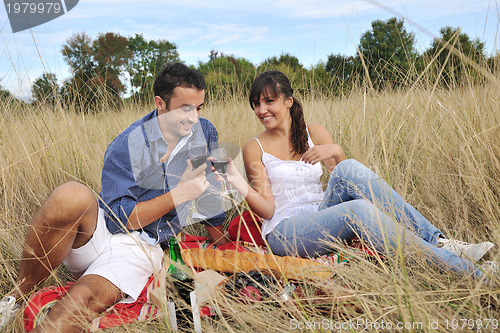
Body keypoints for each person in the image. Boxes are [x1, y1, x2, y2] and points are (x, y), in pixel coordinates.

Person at [0, 63, 229, 332]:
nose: (194, 118)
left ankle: (84, 288)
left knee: (75, 305)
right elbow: (121, 218)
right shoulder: (129, 143)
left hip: (139, 246)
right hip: (102, 230)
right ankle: (15, 297)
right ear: (160, 103)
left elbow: (211, 182)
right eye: (185, 109)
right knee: (69, 194)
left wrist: (221, 240)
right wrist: (178, 195)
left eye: (199, 107)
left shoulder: (204, 132)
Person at [220, 70, 496, 281]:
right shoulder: (254, 147)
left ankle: (439, 241)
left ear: (289, 101)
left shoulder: (314, 132)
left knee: (349, 167)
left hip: (321, 214)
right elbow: (267, 210)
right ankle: (472, 274)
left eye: (269, 101)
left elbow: (342, 177)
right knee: (358, 211)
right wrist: (235, 178)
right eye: (256, 103)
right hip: (287, 231)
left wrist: (337, 152)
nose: (261, 110)